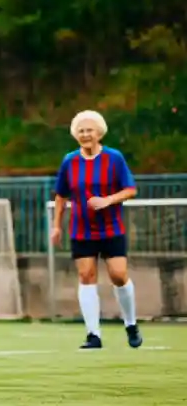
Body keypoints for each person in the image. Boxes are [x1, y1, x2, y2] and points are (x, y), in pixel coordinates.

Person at [50, 110, 141, 349]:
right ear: (75, 135)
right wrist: (56, 226)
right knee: (86, 276)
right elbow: (61, 195)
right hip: (82, 230)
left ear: (99, 132)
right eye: (80, 130)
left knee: (119, 275)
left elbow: (130, 190)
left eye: (89, 130)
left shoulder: (114, 158)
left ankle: (130, 324)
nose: (85, 134)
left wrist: (108, 200)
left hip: (111, 228)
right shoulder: (70, 161)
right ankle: (93, 335)